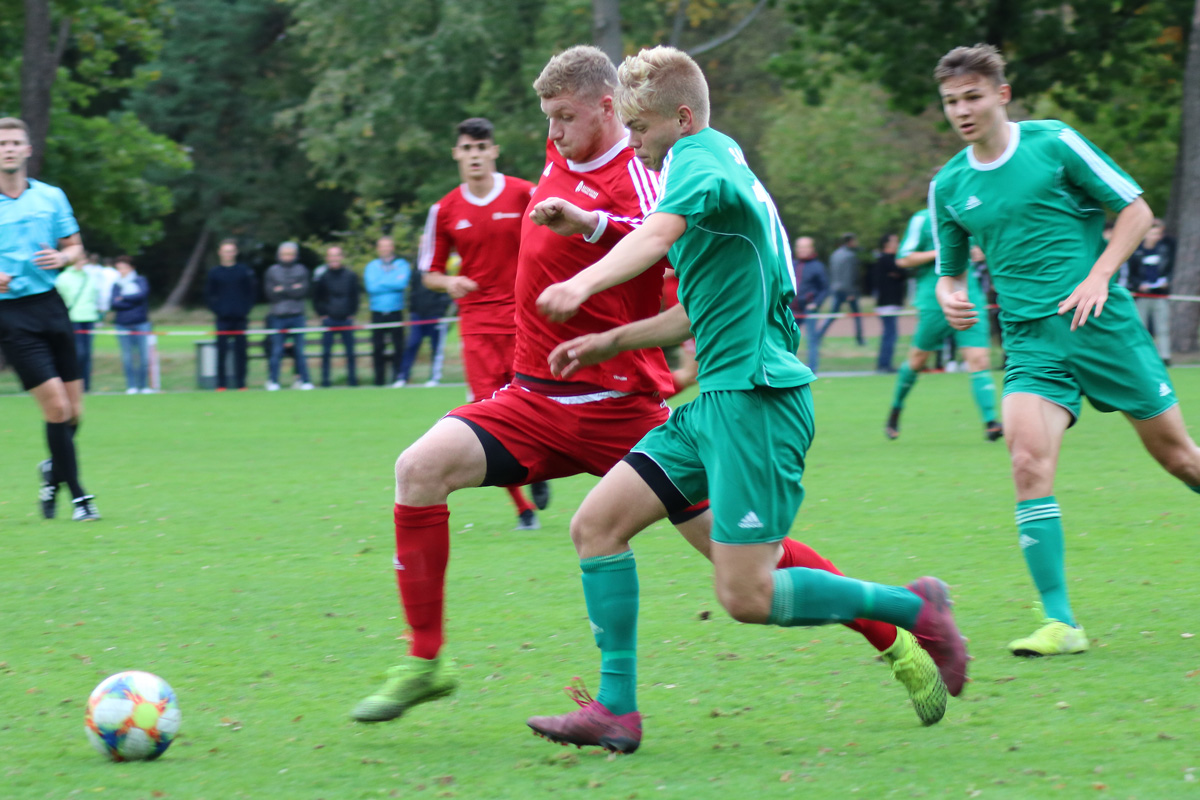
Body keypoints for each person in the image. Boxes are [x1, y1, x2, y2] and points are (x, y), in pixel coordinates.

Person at [351, 46, 949, 734]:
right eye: (547, 119)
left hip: (622, 410)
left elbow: (659, 234)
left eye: (564, 118)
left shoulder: (657, 172)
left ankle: (897, 636)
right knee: (419, 469)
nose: (553, 134)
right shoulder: (560, 160)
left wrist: (587, 267)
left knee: (749, 569)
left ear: (610, 109)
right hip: (534, 399)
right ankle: (434, 662)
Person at [525, 48, 967, 754]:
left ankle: (915, 608)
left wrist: (583, 286)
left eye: (639, 126)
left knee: (746, 597)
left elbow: (655, 234)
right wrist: (612, 343)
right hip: (714, 407)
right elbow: (694, 311)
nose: (632, 141)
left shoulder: (697, 159)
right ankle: (616, 709)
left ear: (682, 116)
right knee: (597, 526)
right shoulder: (710, 175)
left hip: (757, 402)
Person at [930, 44, 1200, 656]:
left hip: (1102, 327)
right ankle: (1061, 622)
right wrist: (951, 295)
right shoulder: (949, 184)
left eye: (972, 96)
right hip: (1030, 343)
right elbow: (949, 271)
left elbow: (1134, 210)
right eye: (951, 102)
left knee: (1181, 459)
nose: (962, 110)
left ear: (1001, 95)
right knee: (1027, 464)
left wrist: (1100, 273)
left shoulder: (1053, 144)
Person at [418, 116, 547, 529]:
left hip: (525, 322)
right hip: (476, 327)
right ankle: (523, 505)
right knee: (486, 414)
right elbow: (429, 272)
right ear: (457, 154)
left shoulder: (524, 193)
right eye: (467, 149)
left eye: (481, 148)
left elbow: (554, 238)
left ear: (493, 151)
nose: (475, 156)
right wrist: (449, 280)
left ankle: (540, 471)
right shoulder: (444, 210)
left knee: (537, 404)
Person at [0, 117, 99, 521]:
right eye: (2, 142)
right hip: (10, 315)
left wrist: (63, 257)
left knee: (75, 413)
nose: (8, 148)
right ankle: (80, 499)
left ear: (28, 149)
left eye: (15, 142)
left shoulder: (51, 197)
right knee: (57, 408)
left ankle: (52, 469)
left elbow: (76, 247)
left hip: (52, 308)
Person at [885, 201, 1001, 441]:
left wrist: (982, 251)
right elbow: (903, 259)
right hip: (933, 298)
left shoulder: (972, 215)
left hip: (970, 296)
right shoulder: (922, 219)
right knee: (917, 360)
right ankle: (896, 409)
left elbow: (988, 247)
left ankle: (991, 423)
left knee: (979, 359)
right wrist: (945, 251)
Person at [204, 238, 257, 391]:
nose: (228, 254)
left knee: (241, 352)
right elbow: (209, 295)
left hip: (240, 318)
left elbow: (251, 293)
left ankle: (241, 383)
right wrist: (218, 310)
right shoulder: (214, 272)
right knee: (221, 352)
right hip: (222, 319)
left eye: (231, 251)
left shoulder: (244, 271)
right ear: (220, 253)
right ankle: (221, 384)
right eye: (226, 251)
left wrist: (245, 309)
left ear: (235, 252)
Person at [263, 241, 313, 391]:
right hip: (277, 316)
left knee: (299, 350)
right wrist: (292, 287)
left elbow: (302, 291)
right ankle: (273, 381)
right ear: (279, 255)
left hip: (297, 315)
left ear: (295, 255)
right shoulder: (272, 271)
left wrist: (282, 289)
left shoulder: (301, 270)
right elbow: (270, 294)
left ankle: (304, 380)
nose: (287, 257)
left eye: (290, 254)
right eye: (285, 254)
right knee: (276, 350)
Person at [400, 245, 450, 387]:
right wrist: (412, 310)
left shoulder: (440, 265)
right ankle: (403, 376)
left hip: (435, 315)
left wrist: (441, 311)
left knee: (436, 347)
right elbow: (412, 290)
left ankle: (434, 377)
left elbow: (444, 290)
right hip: (417, 315)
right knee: (412, 344)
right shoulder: (416, 268)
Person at [313, 245, 360, 388]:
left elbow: (355, 296)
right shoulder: (322, 277)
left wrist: (352, 313)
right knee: (326, 353)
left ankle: (352, 381)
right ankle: (325, 382)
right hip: (329, 320)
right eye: (331, 256)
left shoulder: (350, 276)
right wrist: (322, 315)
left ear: (341, 257)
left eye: (336, 255)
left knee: (350, 352)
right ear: (328, 258)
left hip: (346, 319)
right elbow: (316, 298)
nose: (334, 258)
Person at [364, 236, 408, 387]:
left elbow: (401, 283)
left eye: (388, 246)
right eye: (382, 246)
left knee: (398, 346)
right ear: (378, 249)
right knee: (378, 347)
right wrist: (391, 280)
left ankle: (398, 378)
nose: (385, 249)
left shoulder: (401, 264)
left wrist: (381, 281)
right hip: (377, 311)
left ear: (392, 248)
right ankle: (379, 381)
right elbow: (371, 287)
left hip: (396, 311)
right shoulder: (372, 266)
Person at [55, 252, 102, 391]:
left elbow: (95, 296)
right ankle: (71, 384)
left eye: (83, 259)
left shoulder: (89, 277)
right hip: (72, 318)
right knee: (77, 353)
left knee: (87, 354)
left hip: (89, 318)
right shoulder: (63, 277)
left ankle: (86, 386)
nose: (82, 261)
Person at [1129, 218, 1173, 366]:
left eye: (1157, 233)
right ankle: (1143, 356)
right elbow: (1131, 274)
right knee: (1141, 327)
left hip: (1160, 295)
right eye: (1152, 233)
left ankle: (1165, 356)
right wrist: (1138, 285)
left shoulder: (1164, 250)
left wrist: (1166, 281)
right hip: (1142, 296)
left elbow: (1169, 270)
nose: (1155, 236)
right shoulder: (1136, 252)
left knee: (1163, 327)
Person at [110, 255, 153, 395]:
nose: (121, 270)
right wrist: (131, 300)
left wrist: (123, 298)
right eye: (119, 268)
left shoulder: (140, 280)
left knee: (144, 356)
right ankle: (132, 386)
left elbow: (142, 296)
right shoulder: (116, 284)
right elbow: (114, 303)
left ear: (131, 268)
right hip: (122, 324)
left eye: (124, 267)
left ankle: (144, 385)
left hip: (141, 322)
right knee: (127, 357)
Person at [819, 233, 865, 345]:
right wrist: (851, 292)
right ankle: (860, 339)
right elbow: (850, 275)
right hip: (848, 290)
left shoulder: (835, 254)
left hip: (835, 288)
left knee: (832, 315)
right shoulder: (850, 256)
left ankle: (818, 336)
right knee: (857, 316)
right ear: (850, 242)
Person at [792, 236, 828, 372]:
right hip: (792, 309)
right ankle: (788, 367)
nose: (802, 250)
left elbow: (825, 289)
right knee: (788, 339)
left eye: (805, 247)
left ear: (811, 249)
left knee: (811, 339)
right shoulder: (792, 265)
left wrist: (815, 303)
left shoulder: (817, 267)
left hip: (809, 309)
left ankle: (812, 368)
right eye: (799, 247)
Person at [873, 232, 904, 373]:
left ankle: (884, 363)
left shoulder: (892, 259)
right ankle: (884, 364)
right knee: (890, 334)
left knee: (890, 334)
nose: (897, 244)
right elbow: (900, 271)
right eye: (895, 241)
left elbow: (902, 273)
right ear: (887, 244)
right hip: (887, 304)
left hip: (892, 303)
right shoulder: (884, 260)